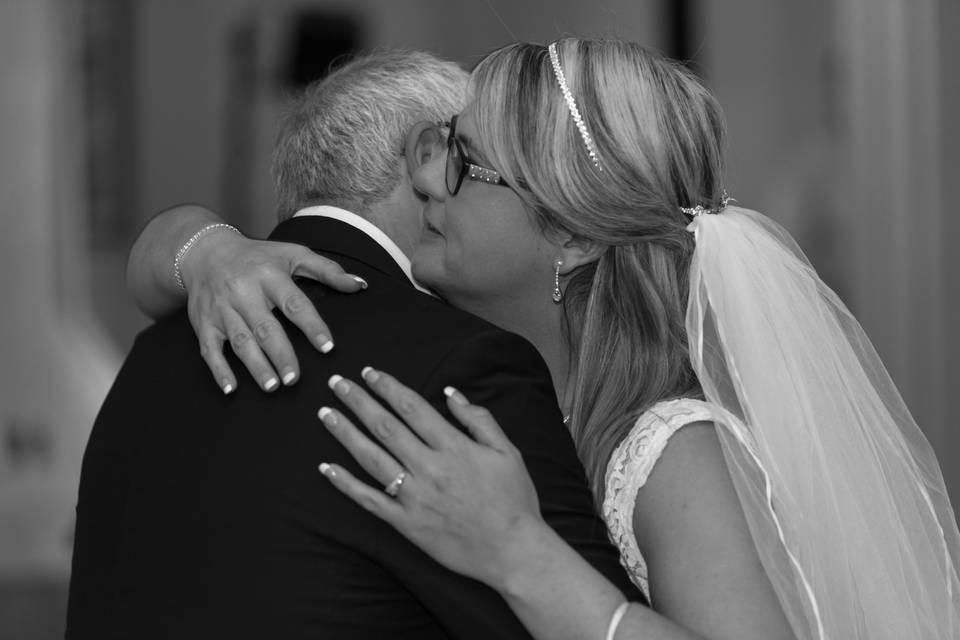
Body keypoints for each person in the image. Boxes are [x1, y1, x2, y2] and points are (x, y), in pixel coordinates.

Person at [129, 39, 960, 640]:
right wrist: (209, 249)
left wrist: (519, 552)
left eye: (465, 161)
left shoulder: (671, 443)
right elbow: (152, 266)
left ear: (572, 237)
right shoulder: (488, 368)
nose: (423, 178)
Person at [67, 49, 643, 640]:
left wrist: (197, 241)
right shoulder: (459, 365)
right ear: (427, 155)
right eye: (469, 161)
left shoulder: (154, 350)